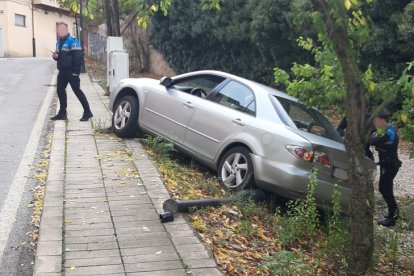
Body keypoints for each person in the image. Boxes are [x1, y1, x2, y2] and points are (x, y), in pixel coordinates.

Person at [50, 22, 93, 121]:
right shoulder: (59, 42)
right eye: (59, 29)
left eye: (62, 29)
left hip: (71, 72)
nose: (60, 31)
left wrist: (76, 72)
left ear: (66, 30)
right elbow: (59, 56)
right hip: (62, 72)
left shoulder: (72, 41)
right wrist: (55, 56)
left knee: (77, 91)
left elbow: (78, 56)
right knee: (60, 91)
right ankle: (62, 113)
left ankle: (87, 112)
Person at [369, 110, 402, 227]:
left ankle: (393, 217)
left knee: (385, 189)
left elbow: (372, 140)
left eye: (375, 120)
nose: (374, 122)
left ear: (382, 120)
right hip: (387, 164)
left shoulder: (388, 132)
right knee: (385, 189)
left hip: (390, 165)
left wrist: (371, 134)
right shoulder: (385, 130)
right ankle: (393, 214)